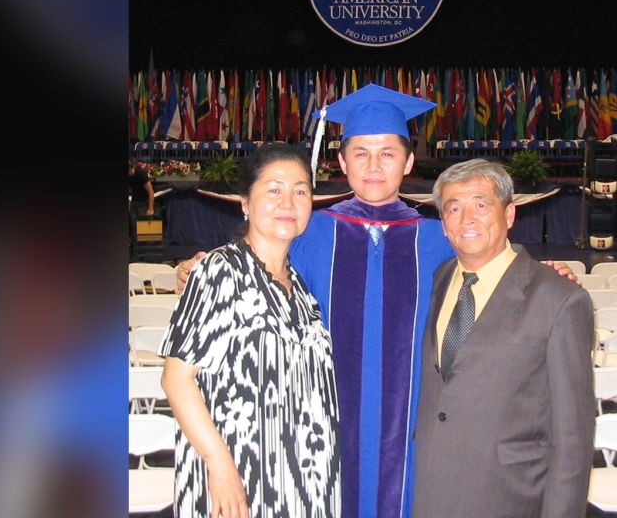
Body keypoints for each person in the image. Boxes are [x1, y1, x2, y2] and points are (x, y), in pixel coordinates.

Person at [175, 84, 577, 518]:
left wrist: (545, 274)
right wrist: (195, 266)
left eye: (387, 153)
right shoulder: (309, 232)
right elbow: (252, 265)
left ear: (407, 162)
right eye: (361, 153)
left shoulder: (437, 237)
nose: (373, 166)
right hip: (321, 433)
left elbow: (494, 271)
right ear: (341, 161)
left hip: (411, 430)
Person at [158, 143, 340, 518]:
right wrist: (219, 465)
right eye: (274, 189)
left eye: (300, 190)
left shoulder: (301, 286)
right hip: (239, 475)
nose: (288, 202)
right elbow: (177, 379)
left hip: (301, 476)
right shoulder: (221, 271)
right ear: (245, 202)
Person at [411, 159, 595, 518]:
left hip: (509, 498)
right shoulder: (436, 279)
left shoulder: (560, 300)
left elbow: (572, 440)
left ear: (510, 214)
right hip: (429, 494)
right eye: (453, 208)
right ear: (443, 225)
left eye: (481, 204)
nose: (467, 219)